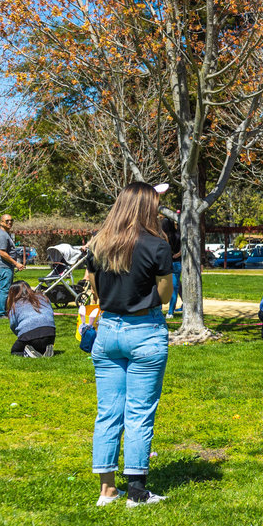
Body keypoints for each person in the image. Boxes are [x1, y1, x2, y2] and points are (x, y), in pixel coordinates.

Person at [85, 182, 173, 507]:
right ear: (147, 207)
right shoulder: (157, 245)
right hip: (145, 331)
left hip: (107, 331)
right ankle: (137, 492)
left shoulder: (99, 244)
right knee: (139, 411)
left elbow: (94, 289)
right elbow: (164, 294)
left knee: (107, 412)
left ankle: (107, 491)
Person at [6, 280, 55, 356]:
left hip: (29, 335)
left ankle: (28, 354)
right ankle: (46, 349)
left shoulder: (15, 305)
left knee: (15, 351)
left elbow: (13, 325)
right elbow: (50, 314)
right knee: (39, 346)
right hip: (50, 334)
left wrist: (21, 335)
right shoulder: (43, 297)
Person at [0, 213, 24, 319]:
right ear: (1, 222)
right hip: (3, 267)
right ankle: (0, 314)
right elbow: (2, 252)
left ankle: (5, 312)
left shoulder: (6, 234)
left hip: (6, 267)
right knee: (5, 290)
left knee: (7, 290)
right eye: (7, 221)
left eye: (11, 220)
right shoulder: (2, 235)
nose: (10, 222)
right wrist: (16, 263)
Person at [160, 217, 182, 318]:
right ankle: (170, 312)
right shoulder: (178, 235)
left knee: (159, 286)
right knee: (175, 287)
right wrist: (177, 254)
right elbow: (183, 249)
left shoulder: (162, 237)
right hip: (176, 263)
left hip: (164, 263)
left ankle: (159, 310)